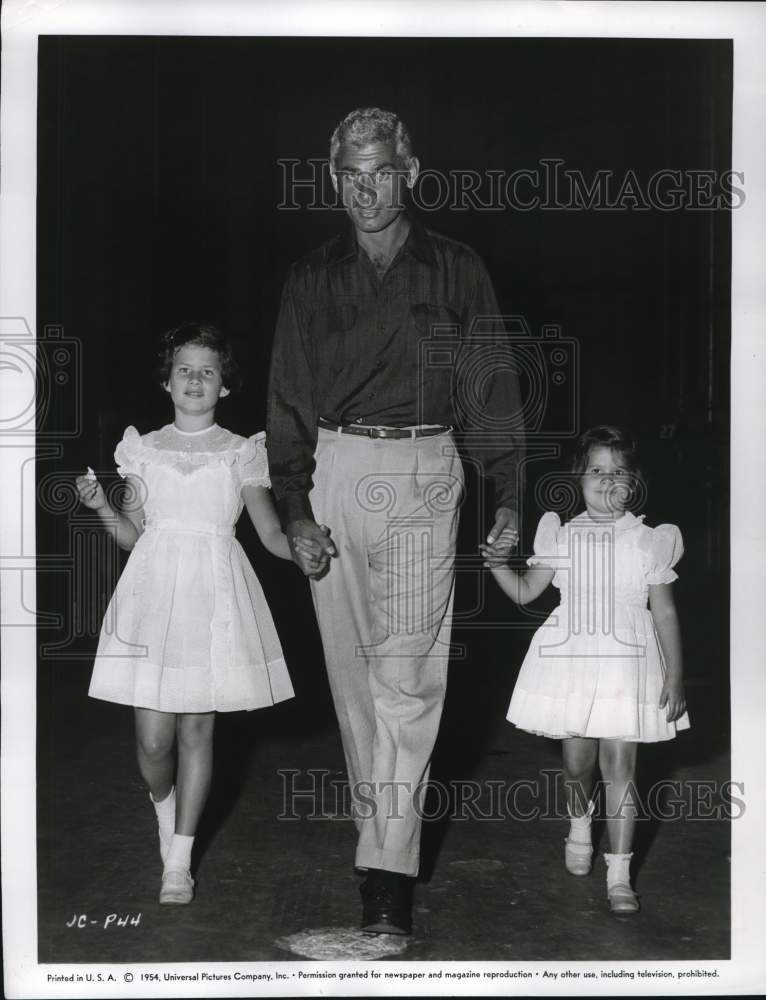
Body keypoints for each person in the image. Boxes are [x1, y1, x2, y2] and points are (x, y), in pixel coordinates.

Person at [267, 107, 525, 934]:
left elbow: (488, 387)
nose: (366, 190)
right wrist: (296, 508)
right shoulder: (311, 277)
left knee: (408, 680)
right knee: (354, 689)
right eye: (350, 174)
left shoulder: (457, 267)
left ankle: (386, 874)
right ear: (331, 176)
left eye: (380, 171)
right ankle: (379, 841)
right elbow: (287, 403)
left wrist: (511, 491)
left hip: (423, 472)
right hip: (337, 471)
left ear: (410, 171)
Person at [76, 322, 321, 906]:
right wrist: (100, 506)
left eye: (207, 370)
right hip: (153, 594)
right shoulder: (141, 448)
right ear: (166, 380)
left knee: (198, 728)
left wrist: (304, 545)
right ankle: (166, 816)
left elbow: (268, 534)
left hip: (215, 594)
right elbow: (133, 536)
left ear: (224, 387)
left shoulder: (242, 452)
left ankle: (179, 860)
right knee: (154, 741)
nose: (194, 378)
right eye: (184, 368)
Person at [481, 425, 690, 914]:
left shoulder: (650, 541)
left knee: (622, 766)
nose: (605, 479)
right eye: (596, 469)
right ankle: (580, 823)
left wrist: (675, 675)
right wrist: (496, 565)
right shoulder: (561, 533)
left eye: (617, 471)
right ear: (578, 478)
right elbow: (525, 592)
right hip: (572, 661)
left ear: (633, 482)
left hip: (627, 665)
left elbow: (664, 613)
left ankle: (620, 874)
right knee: (578, 766)